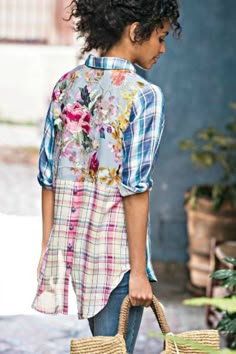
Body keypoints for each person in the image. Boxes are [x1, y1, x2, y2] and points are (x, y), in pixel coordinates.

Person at [31, 0, 181, 353]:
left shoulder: (66, 85)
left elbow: (48, 175)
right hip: (119, 262)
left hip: (82, 255)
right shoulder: (144, 96)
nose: (162, 48)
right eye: (159, 37)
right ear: (134, 31)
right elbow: (135, 188)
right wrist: (139, 271)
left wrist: (47, 250)